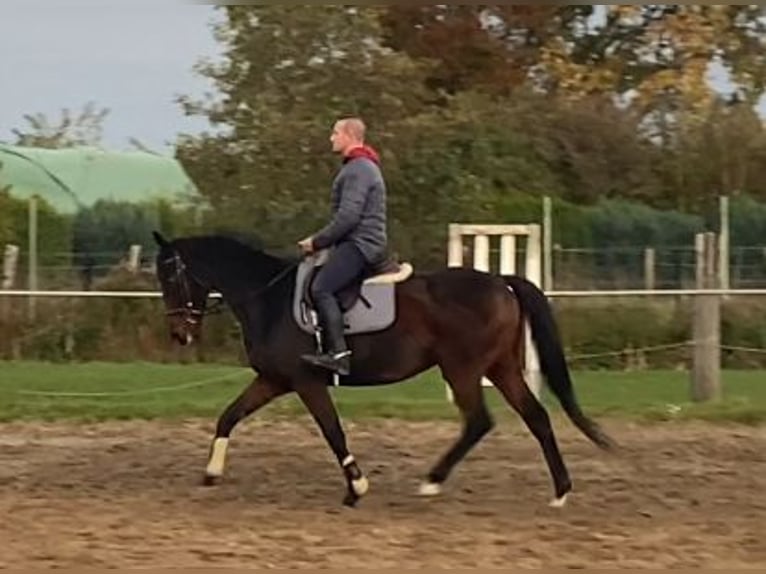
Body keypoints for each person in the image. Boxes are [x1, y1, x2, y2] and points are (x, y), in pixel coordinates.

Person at [298, 117, 387, 376]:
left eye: (335, 133)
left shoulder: (358, 168)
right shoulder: (361, 166)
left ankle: (338, 355)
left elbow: (348, 217)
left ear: (350, 135)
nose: (331, 138)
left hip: (361, 244)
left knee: (321, 288)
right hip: (358, 242)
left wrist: (316, 241)